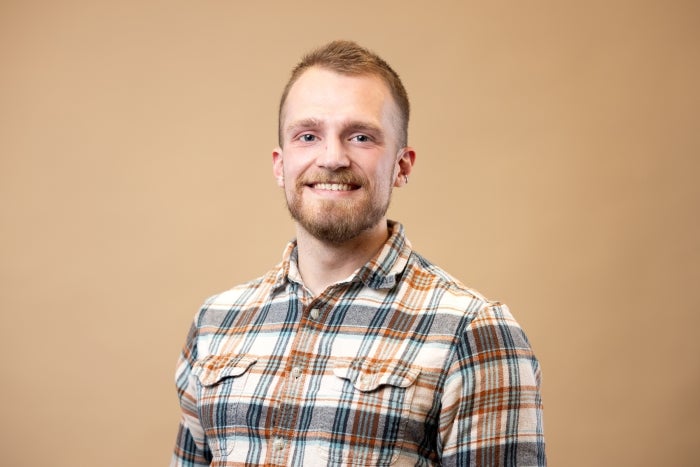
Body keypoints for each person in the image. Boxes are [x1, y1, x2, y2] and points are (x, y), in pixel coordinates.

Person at [172, 40, 546, 466]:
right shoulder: (216, 324)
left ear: (402, 166)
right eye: (308, 136)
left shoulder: (473, 333)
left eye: (361, 136)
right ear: (280, 164)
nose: (332, 158)